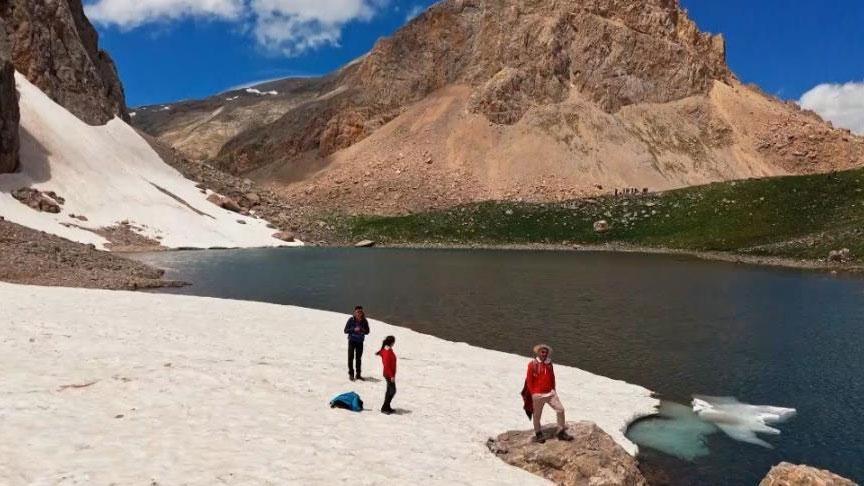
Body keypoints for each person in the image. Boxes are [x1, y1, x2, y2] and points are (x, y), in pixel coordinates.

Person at [526, 344, 573, 443]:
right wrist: (533, 393)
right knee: (536, 415)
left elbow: (552, 377)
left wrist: (553, 389)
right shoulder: (532, 364)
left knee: (560, 410)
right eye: (542, 352)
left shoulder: (549, 363)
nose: (544, 354)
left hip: (550, 393)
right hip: (538, 395)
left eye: (546, 352)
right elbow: (529, 381)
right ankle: (538, 433)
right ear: (538, 352)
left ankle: (560, 432)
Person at [344, 306, 370, 381]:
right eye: (358, 312)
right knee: (350, 357)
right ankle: (351, 374)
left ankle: (358, 375)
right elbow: (345, 330)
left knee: (358, 359)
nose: (359, 313)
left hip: (360, 342)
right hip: (352, 341)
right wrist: (353, 329)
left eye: (360, 312)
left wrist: (362, 330)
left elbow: (367, 332)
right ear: (355, 312)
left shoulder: (364, 321)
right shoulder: (351, 320)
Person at [376, 335, 397, 415]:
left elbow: (382, 353)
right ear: (391, 342)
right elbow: (387, 365)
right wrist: (391, 376)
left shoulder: (386, 349)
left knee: (389, 390)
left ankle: (387, 407)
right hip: (388, 374)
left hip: (388, 373)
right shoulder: (387, 351)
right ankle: (384, 407)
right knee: (392, 391)